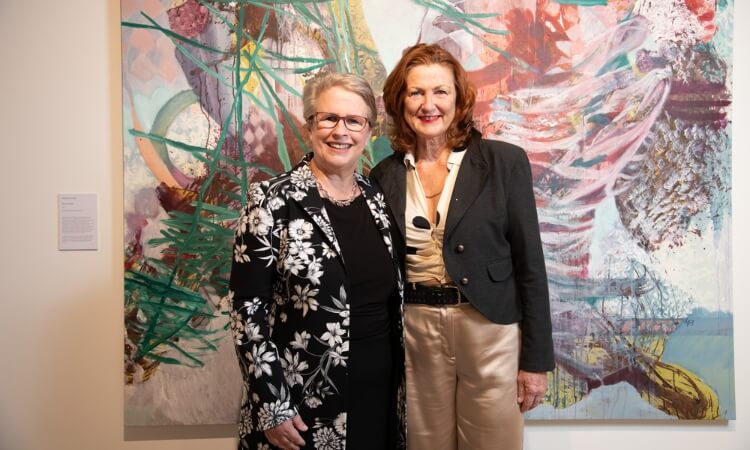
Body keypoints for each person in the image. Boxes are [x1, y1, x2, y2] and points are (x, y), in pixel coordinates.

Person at [369, 43, 554, 450]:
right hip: (414, 332)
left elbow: (530, 266)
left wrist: (536, 362)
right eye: (416, 92)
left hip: (489, 328)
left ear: (459, 98)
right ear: (400, 101)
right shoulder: (382, 175)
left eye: (440, 92)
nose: (428, 104)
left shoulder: (504, 162)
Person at [229, 72, 406, 450]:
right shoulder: (271, 201)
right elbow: (246, 311)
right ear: (309, 126)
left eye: (354, 121)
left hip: (381, 395)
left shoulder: (377, 198)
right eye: (329, 118)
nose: (340, 131)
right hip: (301, 403)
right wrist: (271, 405)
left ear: (368, 131)